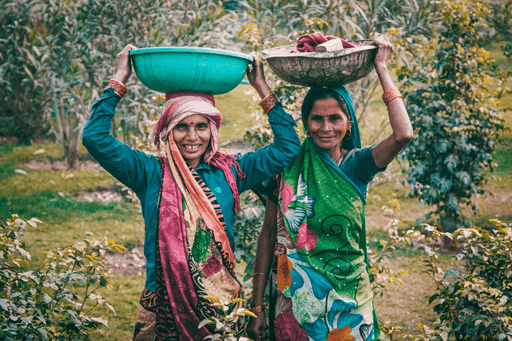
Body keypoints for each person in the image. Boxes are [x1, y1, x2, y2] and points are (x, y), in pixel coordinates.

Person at [82, 44, 301, 340]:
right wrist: (120, 78)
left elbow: (288, 146)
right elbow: (95, 138)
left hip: (220, 306)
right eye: (181, 126)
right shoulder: (148, 173)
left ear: (212, 130)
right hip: (162, 307)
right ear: (167, 130)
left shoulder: (231, 171)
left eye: (201, 126)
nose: (192, 137)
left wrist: (261, 86)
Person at [248, 35, 413, 341]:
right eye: (316, 119)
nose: (326, 127)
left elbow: (403, 135)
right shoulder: (289, 164)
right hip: (296, 299)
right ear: (306, 123)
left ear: (348, 123)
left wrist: (382, 67)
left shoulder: (358, 164)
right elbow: (269, 232)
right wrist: (256, 304)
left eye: (335, 118)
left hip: (350, 298)